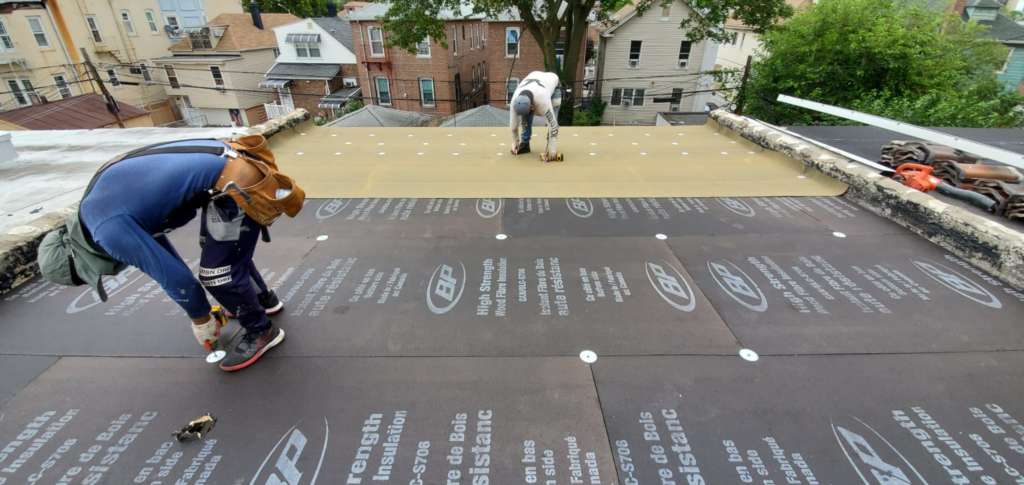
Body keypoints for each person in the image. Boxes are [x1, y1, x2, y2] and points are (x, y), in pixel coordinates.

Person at [37, 137, 301, 372]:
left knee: (217, 273)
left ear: (82, 259)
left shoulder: (107, 232)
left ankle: (261, 330)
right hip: (231, 168)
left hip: (237, 184)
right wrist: (202, 311)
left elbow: (180, 282)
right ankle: (262, 300)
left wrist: (201, 320)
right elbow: (166, 260)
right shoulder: (95, 209)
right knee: (223, 254)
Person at [509, 71, 562, 162]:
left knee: (552, 119)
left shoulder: (543, 100)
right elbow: (513, 127)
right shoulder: (515, 101)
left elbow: (553, 126)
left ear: (532, 106)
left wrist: (552, 152)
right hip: (534, 77)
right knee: (525, 118)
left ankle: (550, 144)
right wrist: (515, 143)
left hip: (552, 83)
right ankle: (525, 144)